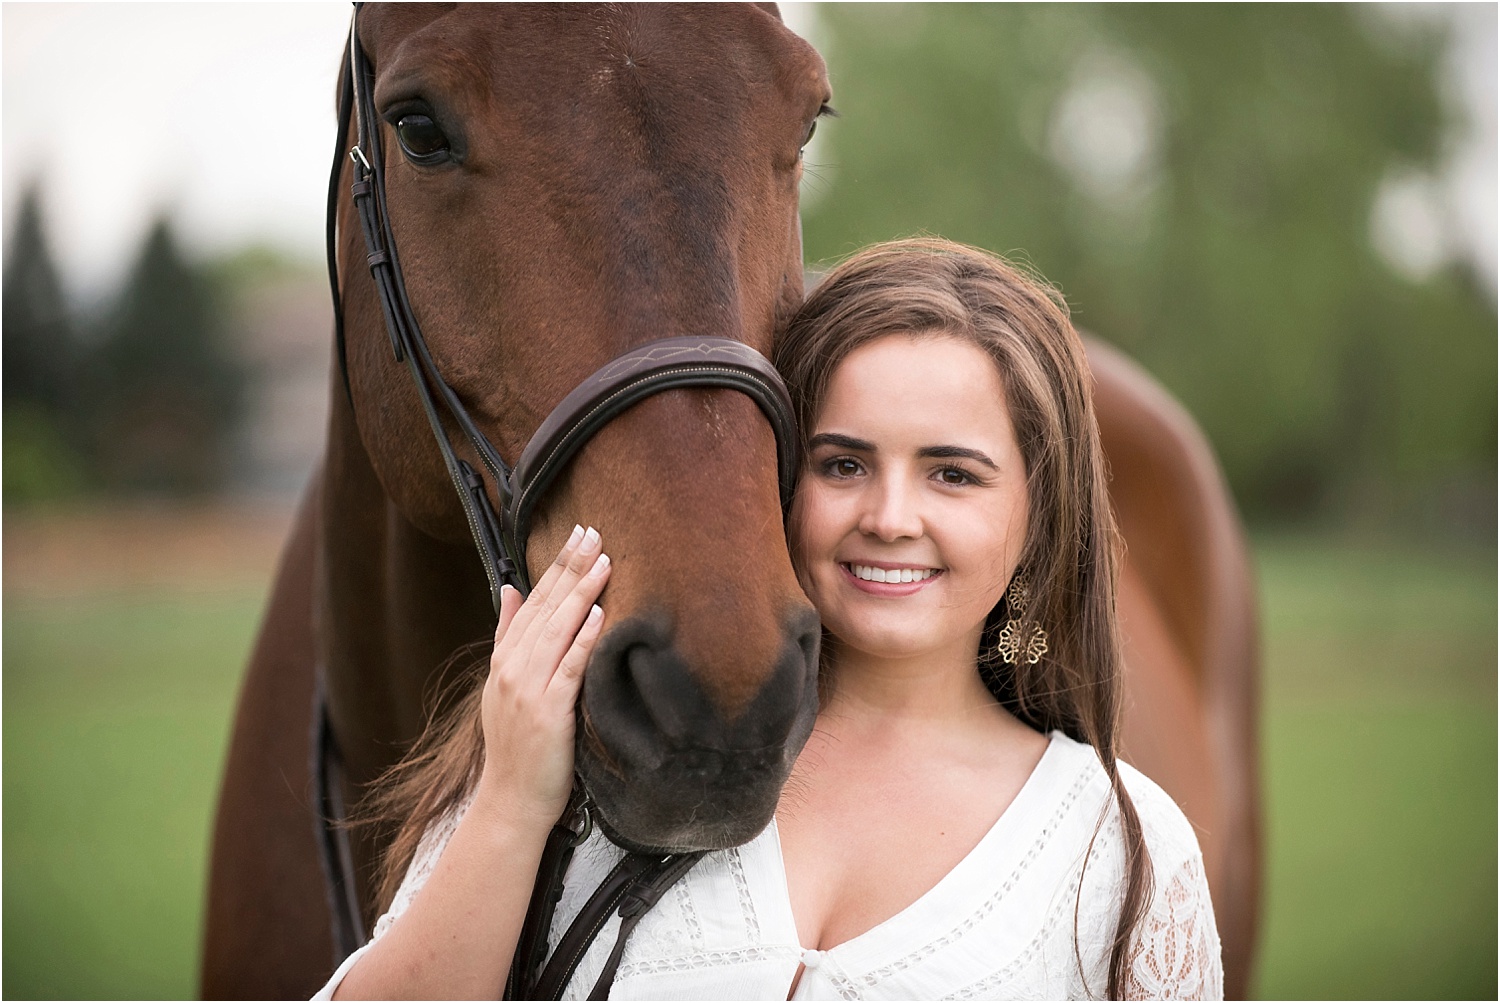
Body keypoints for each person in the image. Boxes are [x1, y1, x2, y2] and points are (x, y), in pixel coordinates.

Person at [318, 238, 1222, 1000]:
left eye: (953, 472)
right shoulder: (585, 752)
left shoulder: (1120, 851)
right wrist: (514, 800)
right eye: (842, 464)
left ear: (1038, 512)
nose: (891, 516)